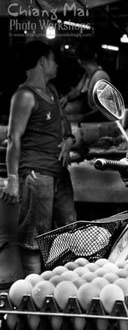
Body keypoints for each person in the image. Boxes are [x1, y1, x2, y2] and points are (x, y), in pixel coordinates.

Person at [2, 40, 76, 275]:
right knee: (35, 237)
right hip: (36, 175)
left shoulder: (52, 91)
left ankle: (61, 287)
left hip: (59, 172)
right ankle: (33, 293)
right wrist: (13, 179)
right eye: (53, 60)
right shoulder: (24, 96)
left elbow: (63, 121)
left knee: (69, 230)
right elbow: (14, 139)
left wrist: (69, 139)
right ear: (43, 61)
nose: (57, 65)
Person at [60, 42, 111, 116]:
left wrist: (82, 117)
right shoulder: (88, 75)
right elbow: (77, 90)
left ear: (79, 61)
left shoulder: (99, 76)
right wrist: (66, 97)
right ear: (95, 56)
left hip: (94, 120)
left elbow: (101, 108)